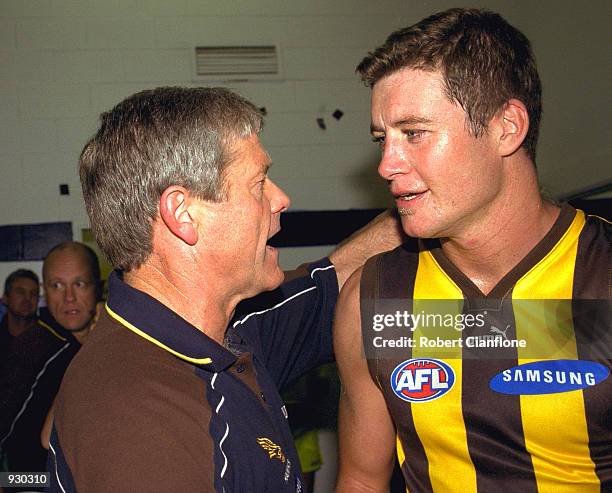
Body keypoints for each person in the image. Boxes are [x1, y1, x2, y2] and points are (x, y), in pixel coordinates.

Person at [47, 87, 402, 492]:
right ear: (182, 214)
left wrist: (429, 202)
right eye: (259, 182)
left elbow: (334, 277)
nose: (280, 198)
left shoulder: (217, 333)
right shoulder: (143, 423)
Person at [334, 8, 611, 493]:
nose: (386, 164)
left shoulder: (601, 274)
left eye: (414, 133)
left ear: (507, 127)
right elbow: (361, 480)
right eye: (382, 139)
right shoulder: (374, 298)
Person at [0, 242, 101, 481]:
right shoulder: (35, 345)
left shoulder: (111, 339)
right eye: (57, 286)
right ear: (46, 291)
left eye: (79, 284)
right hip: (29, 480)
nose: (69, 298)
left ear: (97, 288)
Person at [0, 269, 39, 364]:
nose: (27, 299)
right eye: (20, 292)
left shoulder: (50, 340)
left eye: (33, 294)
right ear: (5, 298)